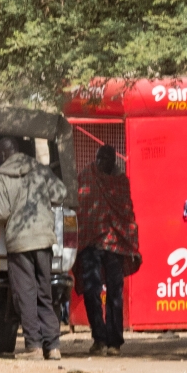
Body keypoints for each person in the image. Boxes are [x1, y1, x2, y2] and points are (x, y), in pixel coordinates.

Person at [0, 138, 69, 360]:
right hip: (44, 239)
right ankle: (53, 347)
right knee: (45, 293)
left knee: (26, 294)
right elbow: (60, 193)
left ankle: (33, 347)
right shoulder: (40, 170)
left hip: (20, 243)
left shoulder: (2, 177)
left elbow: (1, 213)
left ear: (3, 155)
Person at [74, 144, 139, 357]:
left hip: (115, 244)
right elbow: (80, 205)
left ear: (113, 161)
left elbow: (126, 212)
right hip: (91, 242)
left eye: (107, 159)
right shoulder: (86, 176)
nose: (102, 163)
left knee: (115, 293)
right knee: (92, 291)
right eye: (99, 159)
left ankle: (114, 341)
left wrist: (130, 238)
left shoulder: (121, 183)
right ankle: (99, 338)